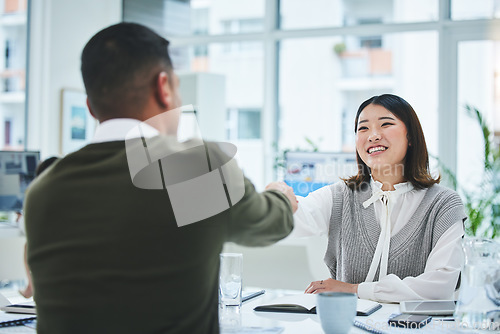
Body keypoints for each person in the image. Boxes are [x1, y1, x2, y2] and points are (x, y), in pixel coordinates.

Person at [24, 23, 296, 334]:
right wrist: (281, 196)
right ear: (163, 87)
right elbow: (270, 224)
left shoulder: (43, 190)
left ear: (90, 107)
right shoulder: (195, 167)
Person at [268, 94, 466, 303]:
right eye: (363, 128)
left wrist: (354, 290)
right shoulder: (340, 196)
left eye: (386, 124)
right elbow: (296, 216)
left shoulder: (444, 204)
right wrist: (277, 195)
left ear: (410, 137)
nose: (372, 136)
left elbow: (441, 285)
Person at [16, 156, 60, 299]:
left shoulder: (38, 194)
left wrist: (19, 220)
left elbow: (29, 224)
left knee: (28, 245)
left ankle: (31, 287)